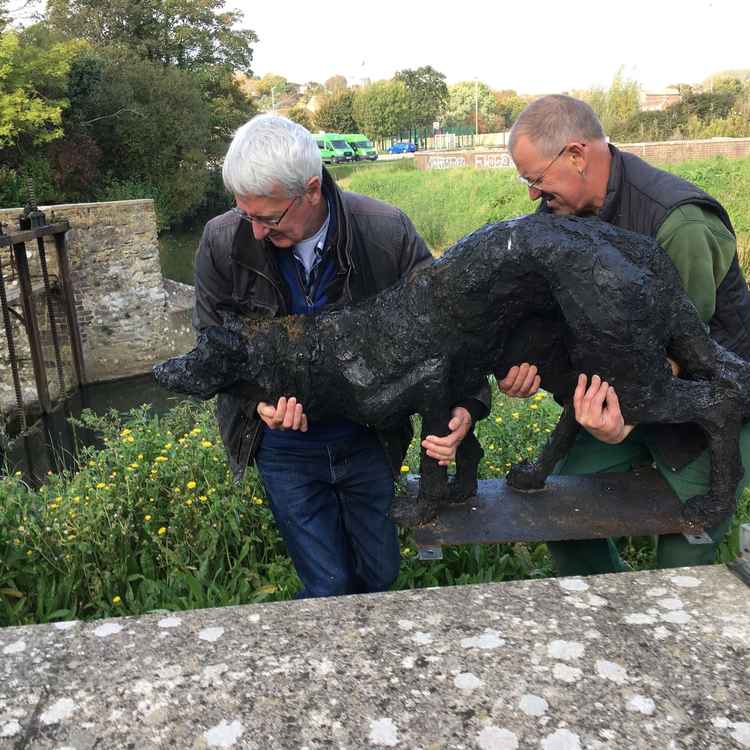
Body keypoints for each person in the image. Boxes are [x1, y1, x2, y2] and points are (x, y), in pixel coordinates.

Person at [193, 114, 489, 598]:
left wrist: (468, 405)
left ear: (311, 189)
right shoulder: (223, 240)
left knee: (381, 575)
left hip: (370, 438)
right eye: (246, 213)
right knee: (328, 584)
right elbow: (212, 342)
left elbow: (448, 328)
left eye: (268, 218)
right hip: (284, 449)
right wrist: (257, 401)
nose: (258, 232)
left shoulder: (386, 232)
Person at [501, 94, 750, 575]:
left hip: (706, 403)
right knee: (563, 523)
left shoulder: (679, 222)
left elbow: (683, 349)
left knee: (681, 563)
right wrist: (526, 360)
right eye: (526, 181)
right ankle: (616, 622)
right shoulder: (559, 216)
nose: (532, 194)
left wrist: (626, 421)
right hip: (624, 395)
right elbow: (542, 310)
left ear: (576, 155)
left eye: (535, 179)